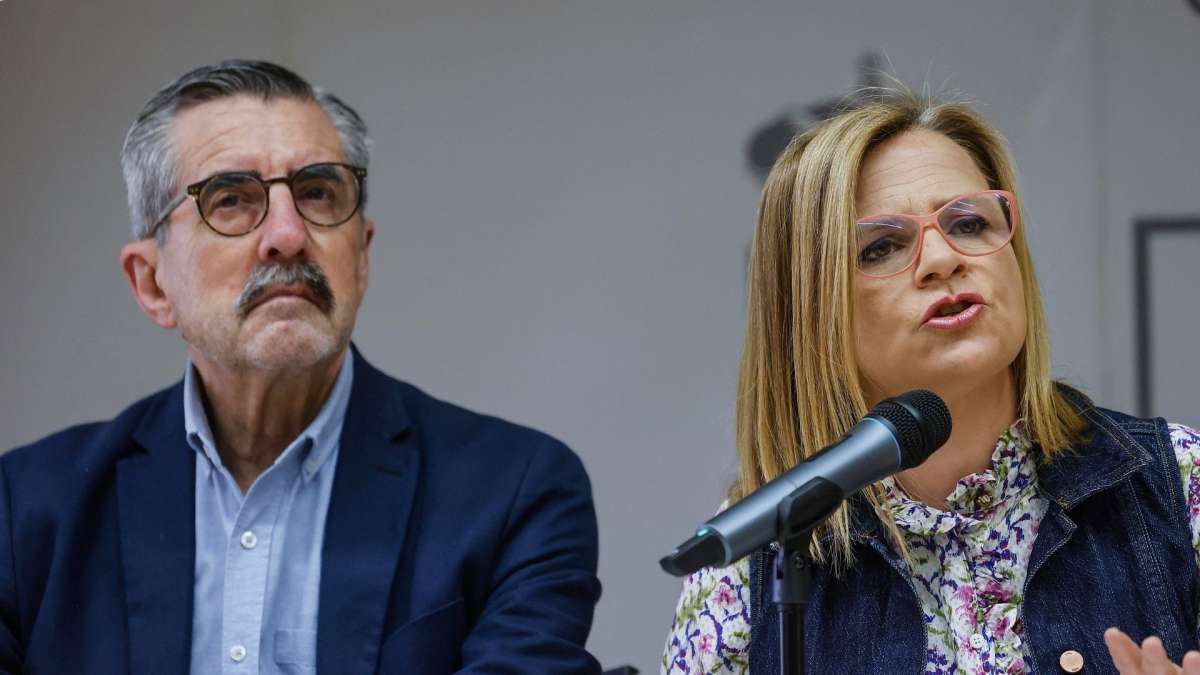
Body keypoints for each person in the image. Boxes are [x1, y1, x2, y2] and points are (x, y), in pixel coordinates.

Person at [0, 60, 602, 674]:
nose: (287, 235)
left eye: (317, 193)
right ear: (152, 283)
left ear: (360, 259)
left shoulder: (514, 494)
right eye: (230, 199)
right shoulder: (23, 513)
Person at [661, 90, 1200, 675]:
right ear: (811, 309)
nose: (942, 259)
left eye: (968, 222)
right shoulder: (751, 553)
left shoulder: (1179, 478)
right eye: (881, 246)